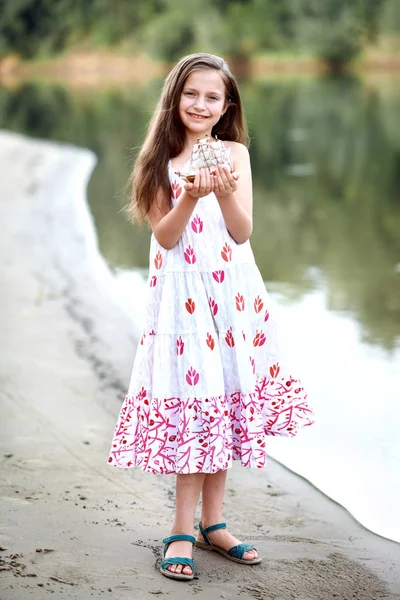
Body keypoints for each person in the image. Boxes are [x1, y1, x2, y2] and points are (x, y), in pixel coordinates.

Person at [108, 53, 314, 581]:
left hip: (232, 298)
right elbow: (166, 237)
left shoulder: (235, 156)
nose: (201, 104)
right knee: (194, 406)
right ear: (175, 99)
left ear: (226, 107)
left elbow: (242, 232)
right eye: (191, 94)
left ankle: (214, 523)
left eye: (212, 97)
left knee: (222, 397)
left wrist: (220, 190)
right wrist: (190, 197)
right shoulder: (159, 160)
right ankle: (181, 528)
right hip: (182, 302)